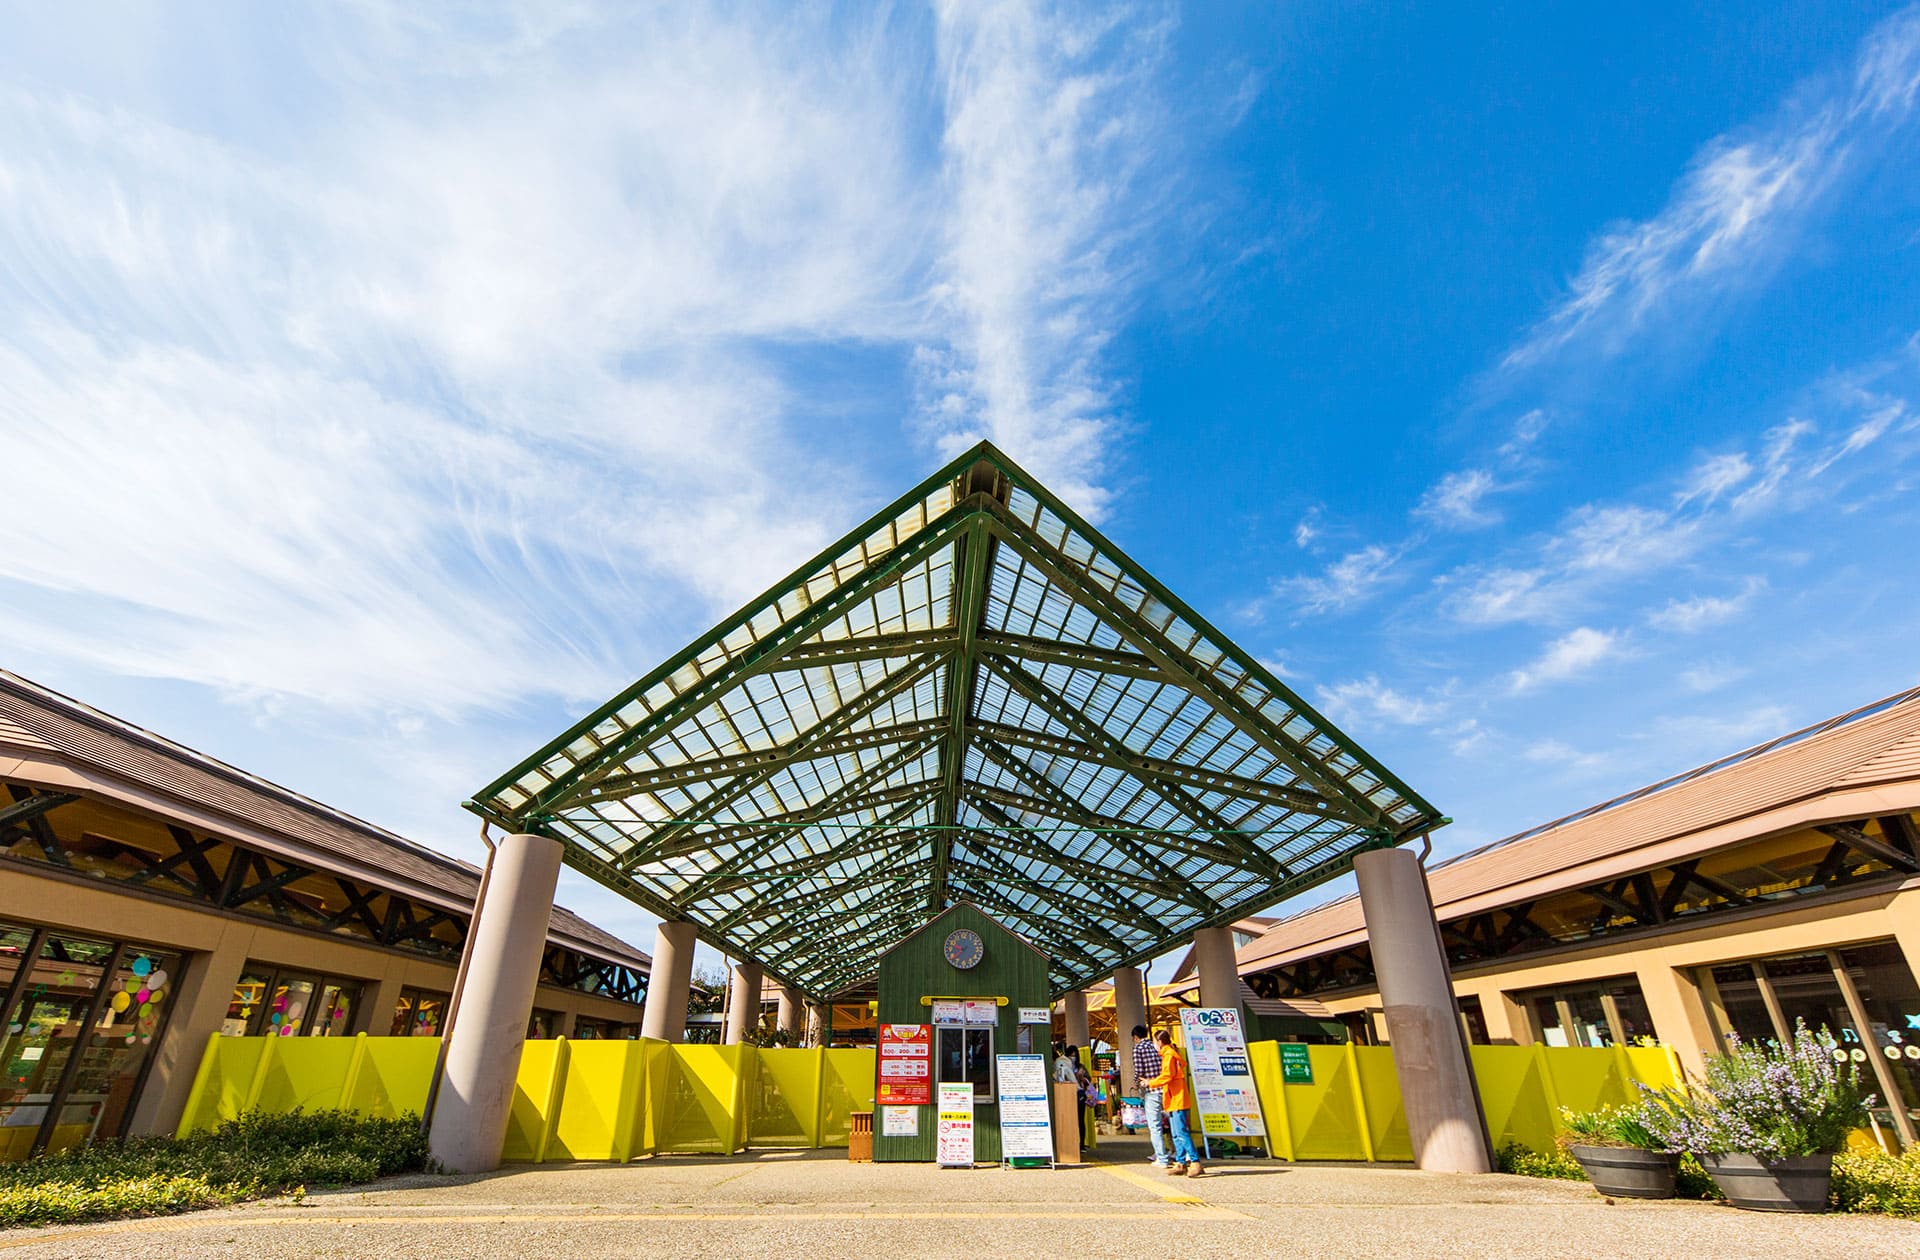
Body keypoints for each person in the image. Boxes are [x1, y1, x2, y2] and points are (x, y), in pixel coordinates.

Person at [1144, 1028, 1204, 1177]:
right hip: (1173, 1099)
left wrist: (1150, 1083)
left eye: (1154, 1041)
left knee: (1181, 1132)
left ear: (1159, 1042)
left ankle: (1195, 1162)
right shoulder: (1168, 1055)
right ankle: (1180, 1162)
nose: (1154, 1045)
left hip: (1177, 1099)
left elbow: (1167, 1076)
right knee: (1176, 1133)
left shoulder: (1169, 1056)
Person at [1130, 1023, 1170, 1167]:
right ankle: (1174, 1152)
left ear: (1135, 1037)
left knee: (1155, 1126)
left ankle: (1162, 1157)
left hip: (1152, 1089)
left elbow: (1139, 1070)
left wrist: (1136, 1082)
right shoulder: (1157, 1046)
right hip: (1166, 1089)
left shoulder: (1138, 1048)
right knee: (1170, 1124)